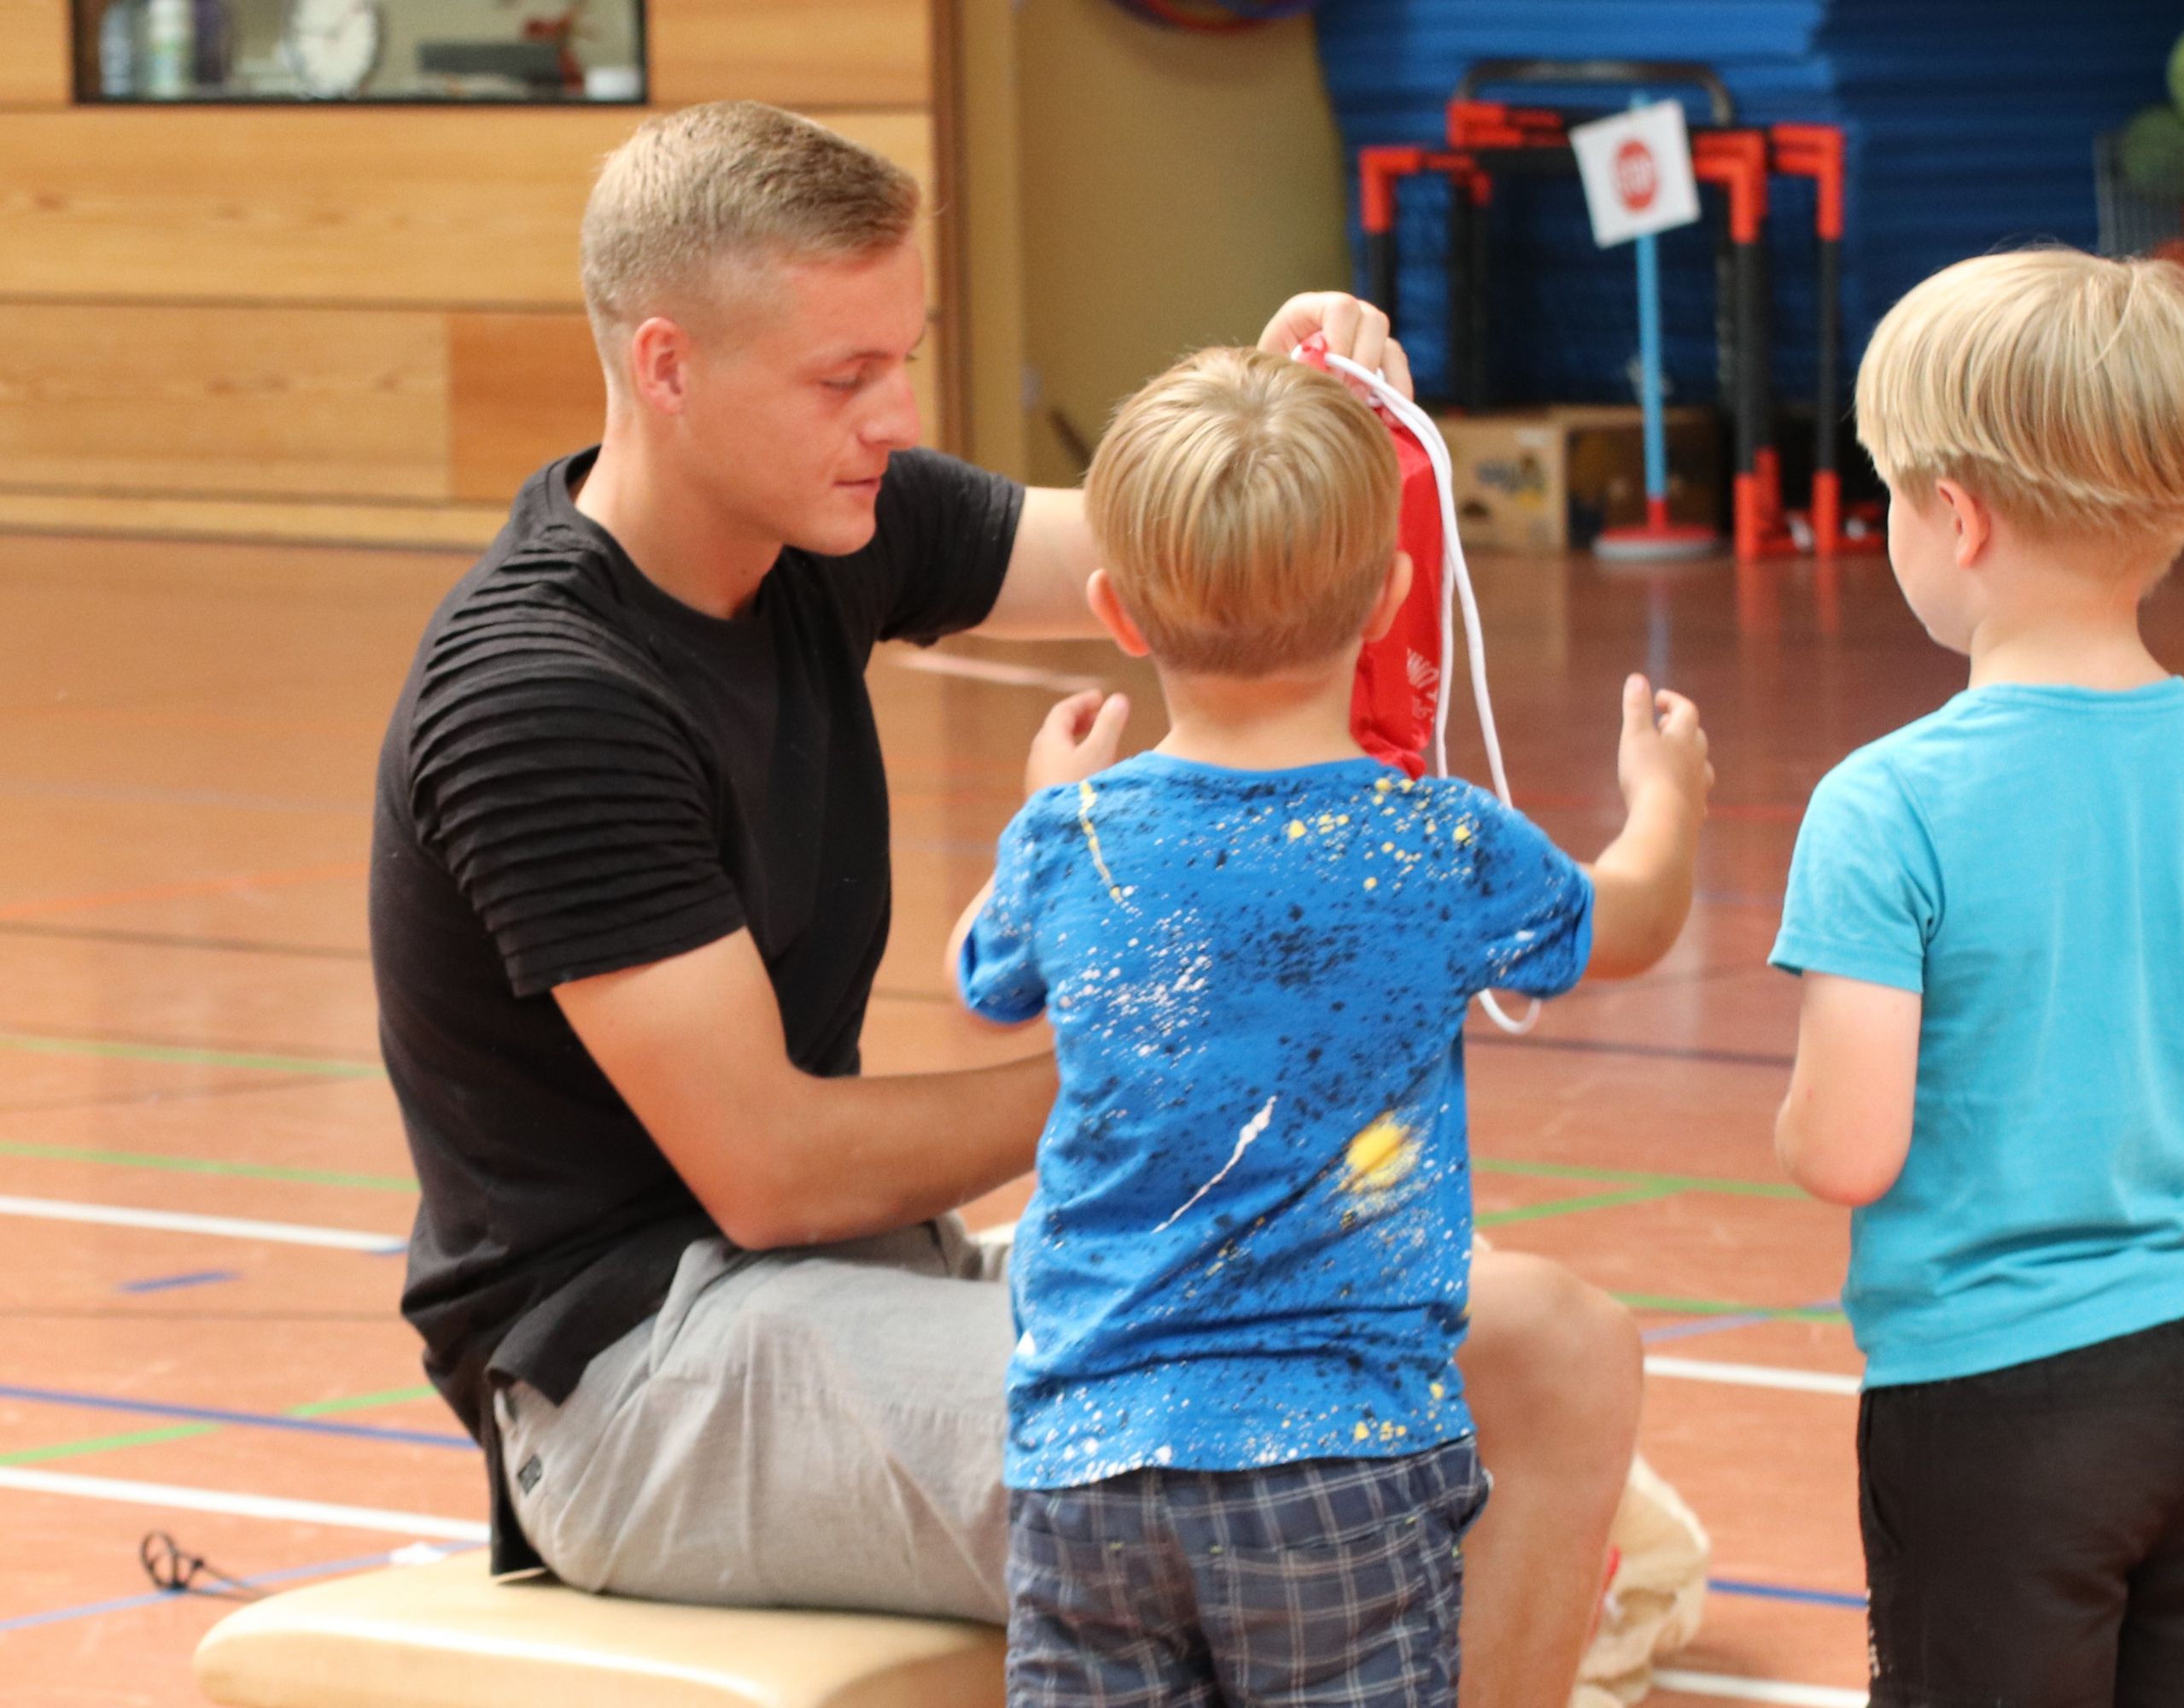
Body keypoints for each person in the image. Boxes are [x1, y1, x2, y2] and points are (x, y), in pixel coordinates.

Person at [369, 99, 1643, 1707]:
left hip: (860, 1275)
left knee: (1558, 1355)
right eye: (845, 378)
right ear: (668, 364)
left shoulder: (823, 514)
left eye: (905, 355)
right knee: (1323, 1457)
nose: (897, 414)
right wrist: (1201, 1047)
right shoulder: (546, 694)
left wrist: (1299, 417)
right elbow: (764, 1169)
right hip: (641, 1372)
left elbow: (1202, 560)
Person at [943, 348, 1713, 1705]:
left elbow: (983, 977)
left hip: (1087, 1465)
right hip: (1343, 1464)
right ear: (1392, 600)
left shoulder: (1075, 843)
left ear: (1117, 612)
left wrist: (1042, 808)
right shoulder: (1437, 846)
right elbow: (1629, 922)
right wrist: (1668, 802)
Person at [1766, 249, 2184, 1705]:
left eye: (1889, 491)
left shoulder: (1884, 803)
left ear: (1954, 518)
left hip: (1999, 1405)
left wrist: (1801, 1120)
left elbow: (1848, 1148)